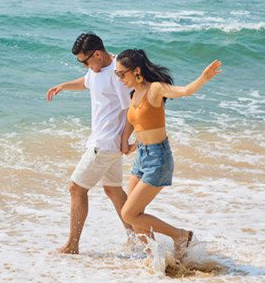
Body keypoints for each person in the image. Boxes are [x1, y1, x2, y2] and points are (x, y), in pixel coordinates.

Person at [115, 49, 222, 257]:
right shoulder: (134, 93)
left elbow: (184, 91)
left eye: (122, 74)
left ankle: (181, 236)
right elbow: (132, 119)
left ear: (136, 70)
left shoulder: (154, 89)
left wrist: (203, 78)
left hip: (158, 159)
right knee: (137, 216)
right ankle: (156, 260)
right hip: (141, 157)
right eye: (116, 74)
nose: (119, 78)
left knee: (128, 213)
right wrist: (125, 141)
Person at [47, 33, 134, 254]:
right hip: (104, 141)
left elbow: (131, 109)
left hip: (106, 142)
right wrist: (63, 86)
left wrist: (125, 140)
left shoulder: (118, 73)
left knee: (76, 188)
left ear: (97, 53)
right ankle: (138, 239)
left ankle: (72, 245)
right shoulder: (95, 69)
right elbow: (87, 82)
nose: (85, 66)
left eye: (85, 61)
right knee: (113, 190)